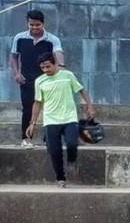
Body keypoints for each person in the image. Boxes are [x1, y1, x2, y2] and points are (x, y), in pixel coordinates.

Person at [25, 53, 97, 187]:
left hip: (69, 117)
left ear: (55, 64)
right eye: (43, 68)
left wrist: (90, 106)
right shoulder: (40, 81)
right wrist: (32, 123)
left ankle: (72, 161)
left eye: (48, 66)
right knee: (54, 150)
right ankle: (60, 178)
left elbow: (81, 90)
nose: (46, 70)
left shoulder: (67, 76)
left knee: (71, 142)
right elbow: (37, 102)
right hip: (51, 120)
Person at [10, 10, 64, 147]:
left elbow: (58, 54)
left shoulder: (52, 39)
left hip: (47, 80)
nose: (34, 28)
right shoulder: (20, 38)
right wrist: (16, 73)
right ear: (28, 23)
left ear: (43, 24)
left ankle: (49, 139)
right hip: (27, 80)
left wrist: (61, 68)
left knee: (50, 109)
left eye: (37, 25)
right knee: (27, 109)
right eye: (31, 25)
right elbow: (14, 57)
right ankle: (26, 139)